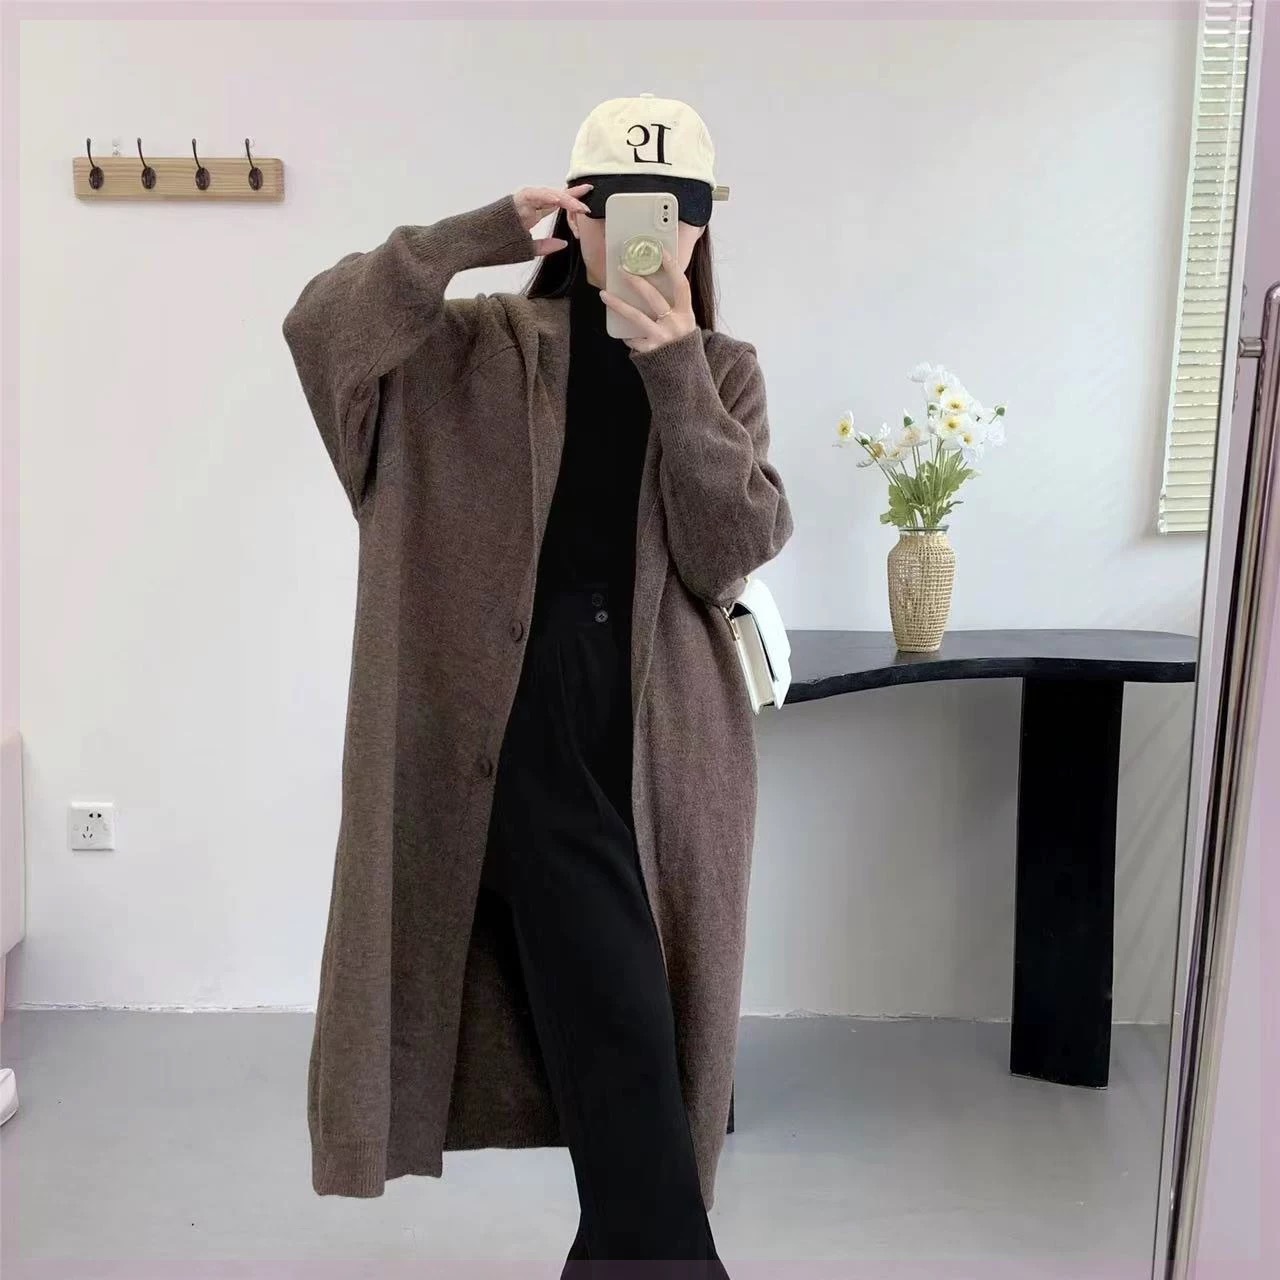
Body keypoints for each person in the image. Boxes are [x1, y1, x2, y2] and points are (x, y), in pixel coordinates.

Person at [282, 94, 793, 1278]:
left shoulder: (723, 372)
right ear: (575, 212)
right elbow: (321, 329)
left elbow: (728, 550)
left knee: (637, 1061)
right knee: (626, 1044)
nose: (648, 233)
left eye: (677, 210)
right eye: (615, 205)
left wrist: (674, 372)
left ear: (703, 226)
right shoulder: (472, 351)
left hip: (659, 754)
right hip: (517, 739)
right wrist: (470, 235)